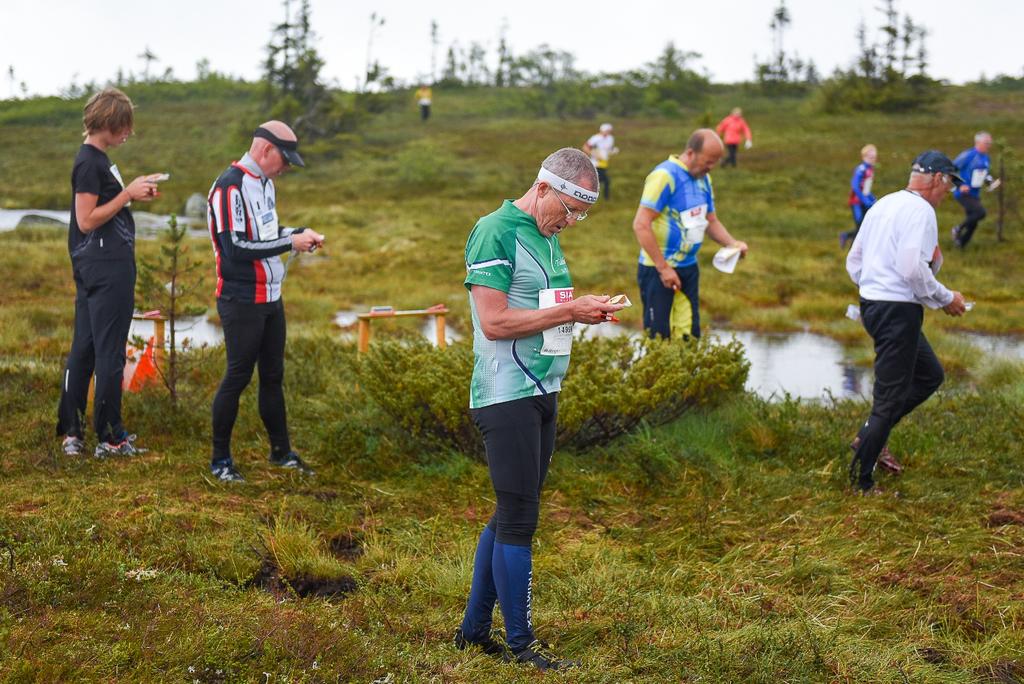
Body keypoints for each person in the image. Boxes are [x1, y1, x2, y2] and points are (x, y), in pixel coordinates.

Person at [454, 148, 624, 671]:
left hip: (543, 390)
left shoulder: (549, 240)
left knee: (509, 511)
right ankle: (522, 645)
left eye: (581, 214)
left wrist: (584, 309)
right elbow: (495, 322)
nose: (571, 221)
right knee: (520, 517)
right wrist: (570, 309)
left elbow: (547, 310)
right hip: (505, 393)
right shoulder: (495, 230)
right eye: (568, 208)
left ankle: (473, 632)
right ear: (544, 187)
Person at [206, 121, 325, 482]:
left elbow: (267, 232)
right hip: (241, 299)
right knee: (238, 376)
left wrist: (297, 233)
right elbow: (235, 248)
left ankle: (281, 452)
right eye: (284, 160)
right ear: (266, 150)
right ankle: (220, 461)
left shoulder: (265, 184)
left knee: (273, 375)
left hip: (272, 297)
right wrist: (291, 244)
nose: (286, 167)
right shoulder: (230, 186)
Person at [845, 151, 967, 494]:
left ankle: (870, 436)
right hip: (897, 313)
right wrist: (946, 298)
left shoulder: (884, 204)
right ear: (937, 179)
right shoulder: (921, 211)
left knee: (930, 375)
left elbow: (854, 262)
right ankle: (862, 483)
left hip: (877, 306)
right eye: (949, 185)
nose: (949, 193)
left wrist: (874, 289)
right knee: (889, 397)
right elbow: (913, 269)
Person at [56, 87, 163, 458]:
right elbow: (86, 221)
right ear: (109, 123)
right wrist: (128, 195)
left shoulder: (94, 159)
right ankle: (110, 436)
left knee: (84, 347)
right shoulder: (90, 162)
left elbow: (98, 212)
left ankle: (72, 432)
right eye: (125, 127)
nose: (128, 134)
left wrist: (132, 192)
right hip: (106, 268)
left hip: (93, 266)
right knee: (109, 351)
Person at [632, 129, 748, 341]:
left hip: (688, 268)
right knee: (659, 337)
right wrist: (663, 268)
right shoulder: (664, 176)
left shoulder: (704, 179)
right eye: (708, 161)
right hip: (658, 271)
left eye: (715, 162)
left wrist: (733, 244)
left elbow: (710, 221)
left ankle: (687, 373)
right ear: (691, 152)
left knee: (689, 335)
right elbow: (641, 224)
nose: (711, 167)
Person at [951, 132, 997, 248]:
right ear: (978, 142)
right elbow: (951, 170)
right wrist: (960, 185)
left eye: (990, 143)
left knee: (973, 223)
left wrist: (990, 181)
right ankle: (958, 229)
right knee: (980, 213)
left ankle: (960, 244)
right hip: (963, 193)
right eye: (986, 143)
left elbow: (984, 173)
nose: (989, 145)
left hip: (975, 193)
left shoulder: (986, 157)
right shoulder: (968, 155)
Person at [839, 144, 878, 249]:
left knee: (864, 226)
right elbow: (855, 187)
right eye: (870, 157)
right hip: (856, 202)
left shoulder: (870, 170)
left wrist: (872, 199)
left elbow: (866, 189)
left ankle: (850, 240)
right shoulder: (861, 169)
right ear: (864, 157)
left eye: (874, 157)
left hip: (864, 202)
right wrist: (865, 200)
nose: (873, 159)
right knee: (860, 224)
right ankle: (848, 238)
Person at [583, 122, 618, 199]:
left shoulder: (610, 138)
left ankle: (594, 197)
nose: (608, 132)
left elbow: (608, 149)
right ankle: (604, 199)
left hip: (604, 163)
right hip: (596, 163)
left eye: (609, 130)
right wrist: (594, 154)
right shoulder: (595, 138)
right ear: (602, 130)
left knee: (599, 181)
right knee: (605, 181)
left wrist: (613, 151)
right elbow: (585, 147)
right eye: (606, 130)